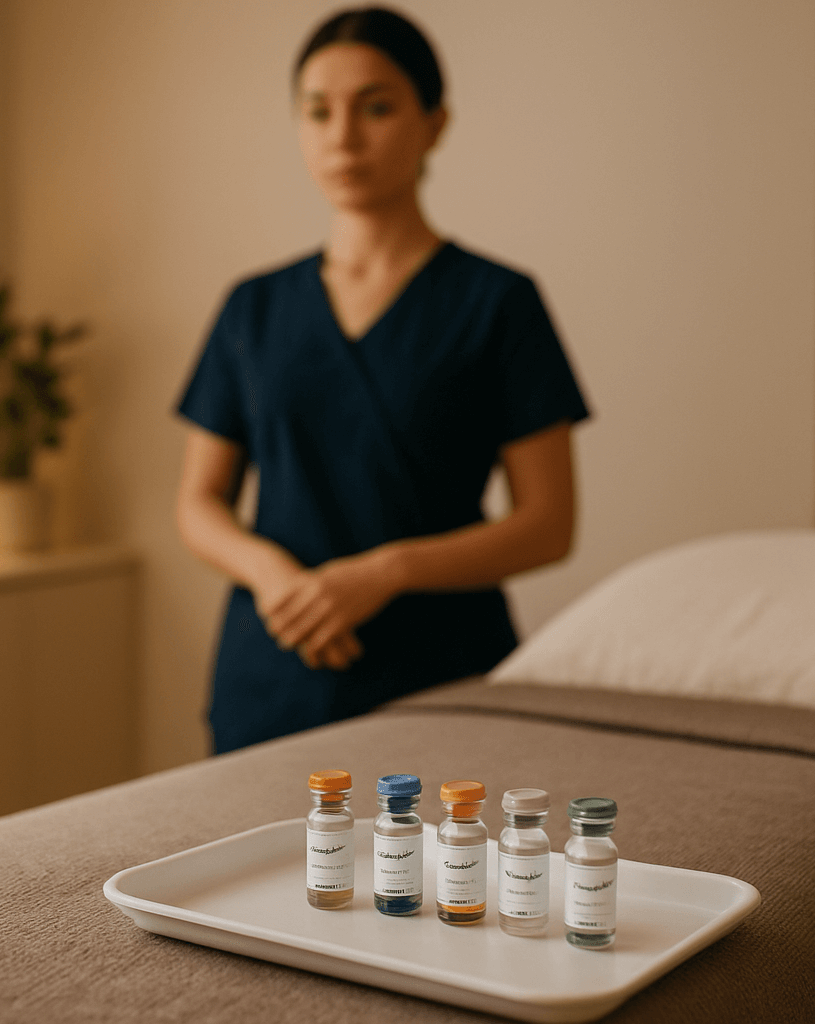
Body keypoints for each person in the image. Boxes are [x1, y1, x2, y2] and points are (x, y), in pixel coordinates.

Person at [175, 6, 590, 754]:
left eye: (376, 108)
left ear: (435, 123)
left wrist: (385, 573)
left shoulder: (498, 302)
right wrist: (276, 579)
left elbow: (547, 524)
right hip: (275, 665)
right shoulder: (253, 307)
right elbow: (199, 502)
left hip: (440, 674)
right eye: (318, 112)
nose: (343, 137)